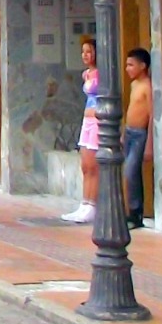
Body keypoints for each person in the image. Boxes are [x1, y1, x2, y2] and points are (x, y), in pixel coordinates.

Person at [61, 41, 101, 224]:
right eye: (83, 51)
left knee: (93, 165)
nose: (85, 55)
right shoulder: (86, 74)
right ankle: (84, 203)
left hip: (98, 121)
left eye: (89, 51)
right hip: (87, 120)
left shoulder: (101, 74)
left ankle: (92, 205)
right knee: (85, 165)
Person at [121, 47, 153, 227]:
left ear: (142, 66)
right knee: (129, 173)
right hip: (129, 132)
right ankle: (131, 211)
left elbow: (151, 114)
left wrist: (149, 144)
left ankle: (136, 212)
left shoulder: (147, 86)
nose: (128, 69)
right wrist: (123, 133)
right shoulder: (134, 85)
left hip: (141, 134)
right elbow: (130, 109)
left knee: (131, 171)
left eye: (131, 65)